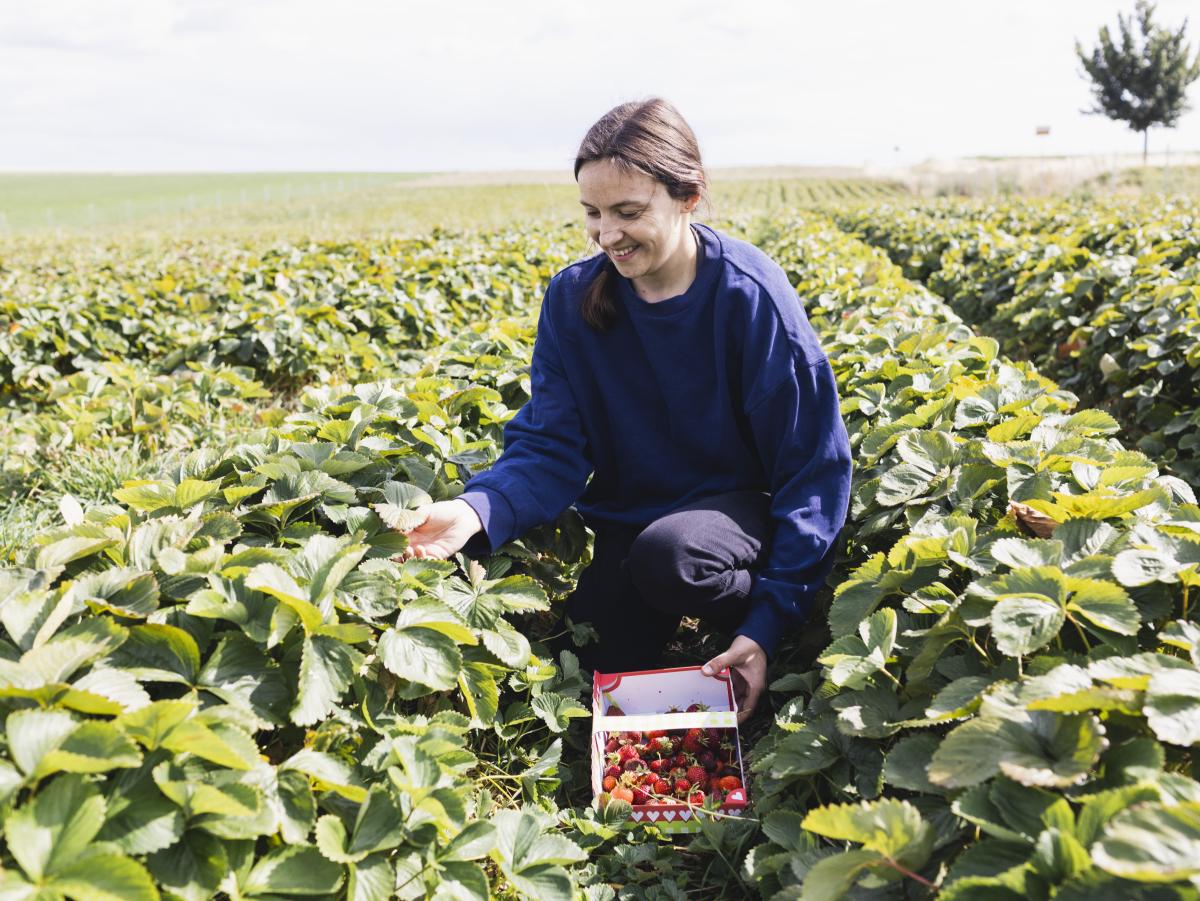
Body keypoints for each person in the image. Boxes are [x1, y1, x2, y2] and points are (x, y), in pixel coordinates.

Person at [396, 98, 852, 723]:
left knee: (672, 558)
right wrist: (474, 510)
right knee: (593, 659)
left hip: (737, 516)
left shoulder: (750, 298)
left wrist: (769, 620)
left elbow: (813, 469)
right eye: (592, 213)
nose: (607, 234)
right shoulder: (573, 299)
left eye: (628, 212)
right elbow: (550, 445)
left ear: (687, 196)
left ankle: (750, 625)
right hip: (631, 526)